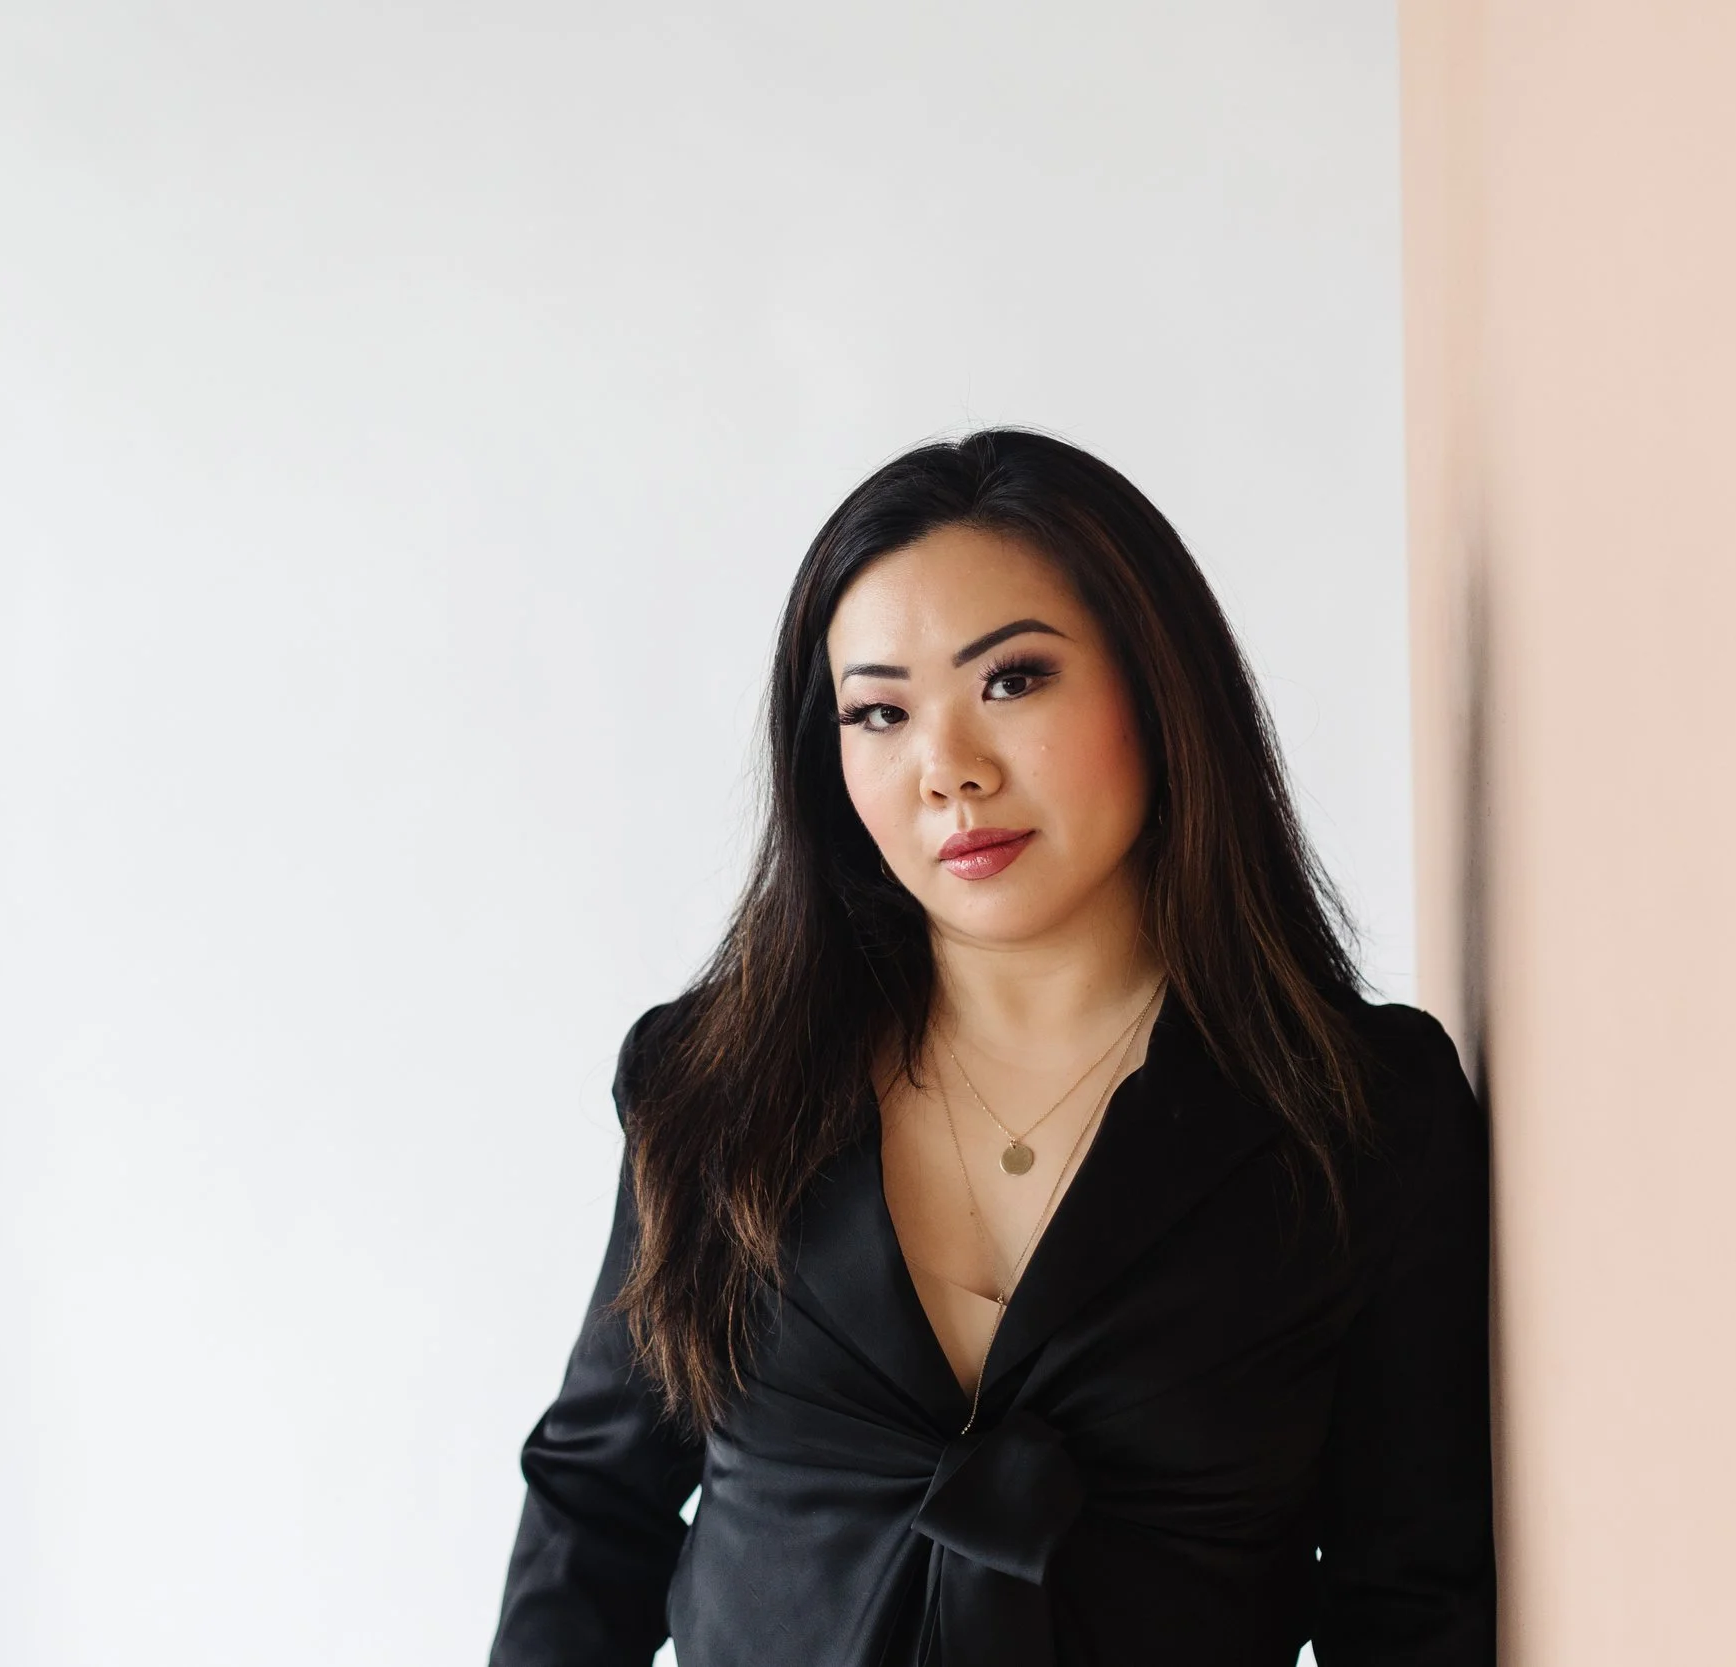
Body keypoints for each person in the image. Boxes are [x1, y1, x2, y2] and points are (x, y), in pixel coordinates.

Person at [488, 432, 1493, 1666]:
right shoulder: (716, 1087)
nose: (947, 772)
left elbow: (1412, 1597)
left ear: (1155, 686)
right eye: (879, 711)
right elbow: (593, 1511)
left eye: (1011, 680)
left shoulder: (1359, 1116)